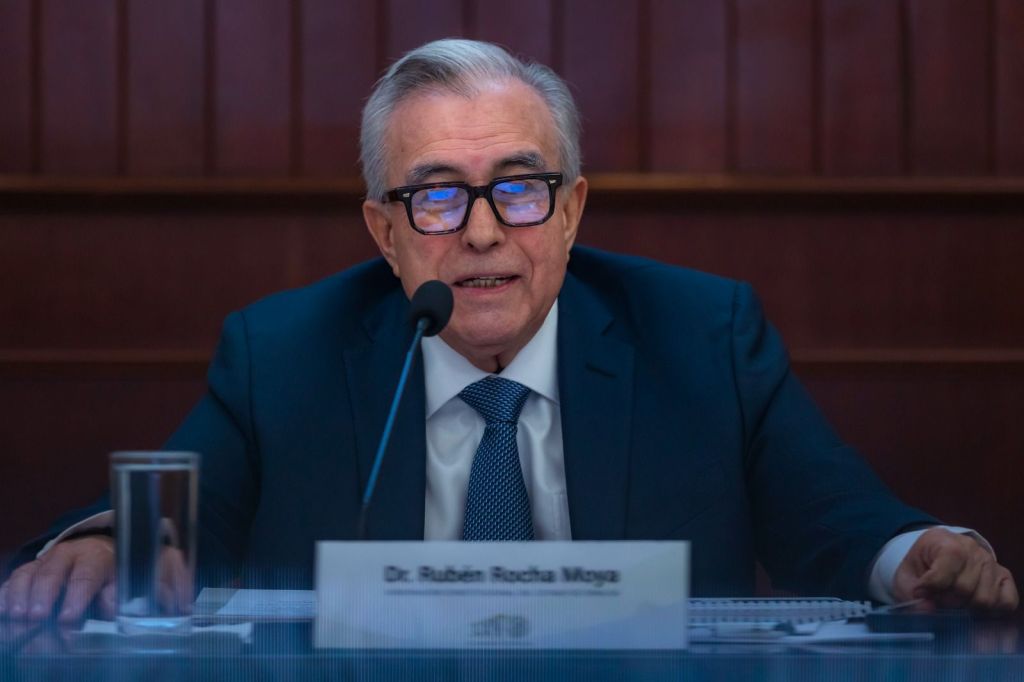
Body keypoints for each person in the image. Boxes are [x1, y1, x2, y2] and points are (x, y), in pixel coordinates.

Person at [1, 39, 1017, 624]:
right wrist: (103, 545)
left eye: (521, 190)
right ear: (385, 232)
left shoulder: (703, 335)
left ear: (571, 212)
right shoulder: (286, 353)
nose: (483, 232)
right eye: (437, 196)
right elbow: (178, 518)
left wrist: (915, 554)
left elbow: (839, 522)